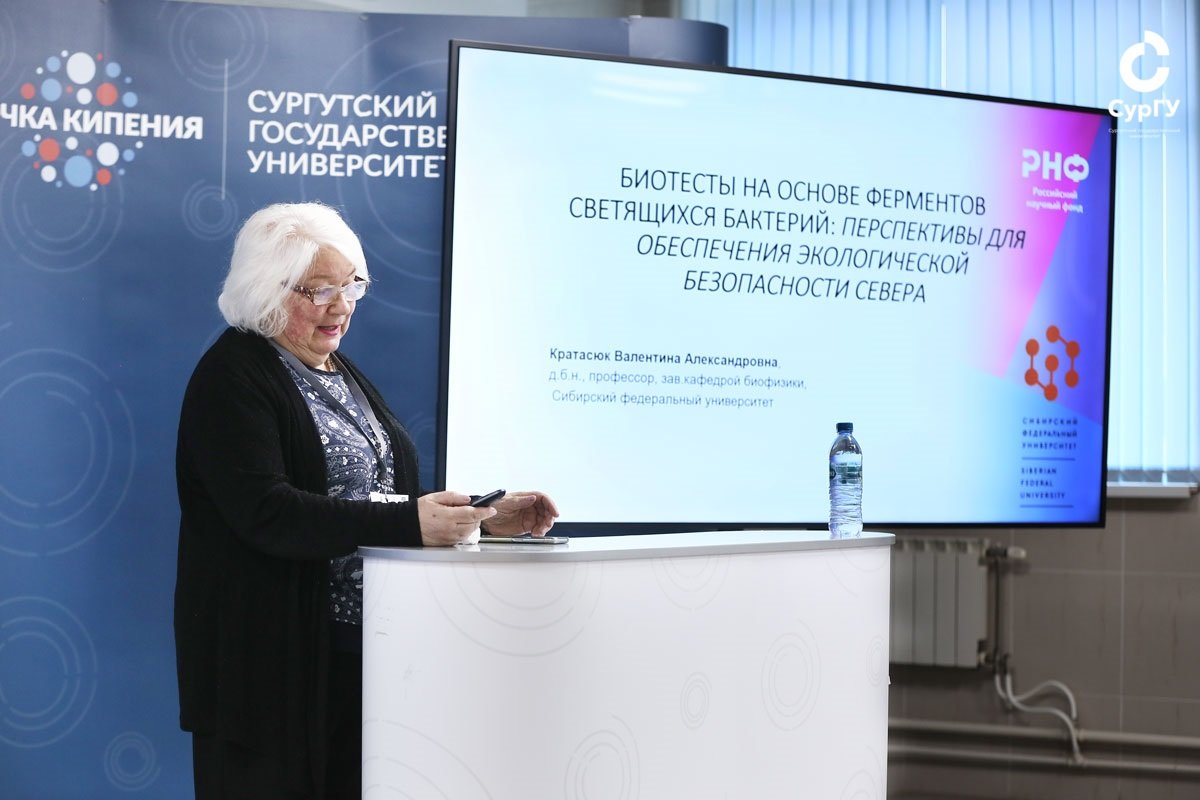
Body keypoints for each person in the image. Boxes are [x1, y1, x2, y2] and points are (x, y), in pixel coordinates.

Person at [174, 202, 558, 799]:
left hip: (364, 657)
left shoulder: (334, 368)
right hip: (271, 670)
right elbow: (268, 512)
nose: (342, 306)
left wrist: (480, 519)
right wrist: (410, 522)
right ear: (266, 289)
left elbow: (373, 497)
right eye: (321, 290)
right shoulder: (232, 376)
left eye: (352, 285)